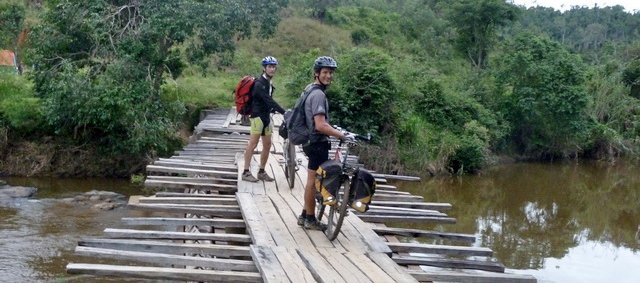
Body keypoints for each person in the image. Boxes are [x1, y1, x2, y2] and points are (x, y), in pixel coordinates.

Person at [297, 56, 349, 230]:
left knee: (312, 179)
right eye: (325, 72)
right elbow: (320, 125)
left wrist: (333, 130)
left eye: (331, 73)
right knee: (312, 181)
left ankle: (304, 215)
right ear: (316, 73)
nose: (329, 76)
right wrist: (341, 135)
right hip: (317, 142)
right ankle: (311, 219)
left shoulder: (309, 89)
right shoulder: (318, 94)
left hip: (309, 141)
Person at [242, 56, 286, 182]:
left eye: (273, 67)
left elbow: (266, 102)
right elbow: (268, 100)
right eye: (269, 67)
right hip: (257, 118)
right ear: (264, 68)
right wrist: (283, 111)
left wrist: (273, 110)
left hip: (266, 117)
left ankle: (261, 171)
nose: (272, 69)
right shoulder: (259, 83)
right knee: (253, 144)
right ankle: (245, 172)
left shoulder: (268, 82)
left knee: (267, 145)